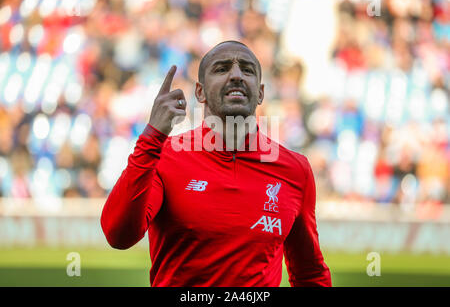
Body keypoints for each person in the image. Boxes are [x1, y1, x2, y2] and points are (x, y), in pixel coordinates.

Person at [100, 40, 332, 287]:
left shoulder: (296, 170)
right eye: (222, 69)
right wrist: (153, 135)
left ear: (261, 92)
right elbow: (119, 235)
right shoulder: (164, 156)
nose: (236, 75)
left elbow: (310, 273)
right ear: (199, 92)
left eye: (247, 69)